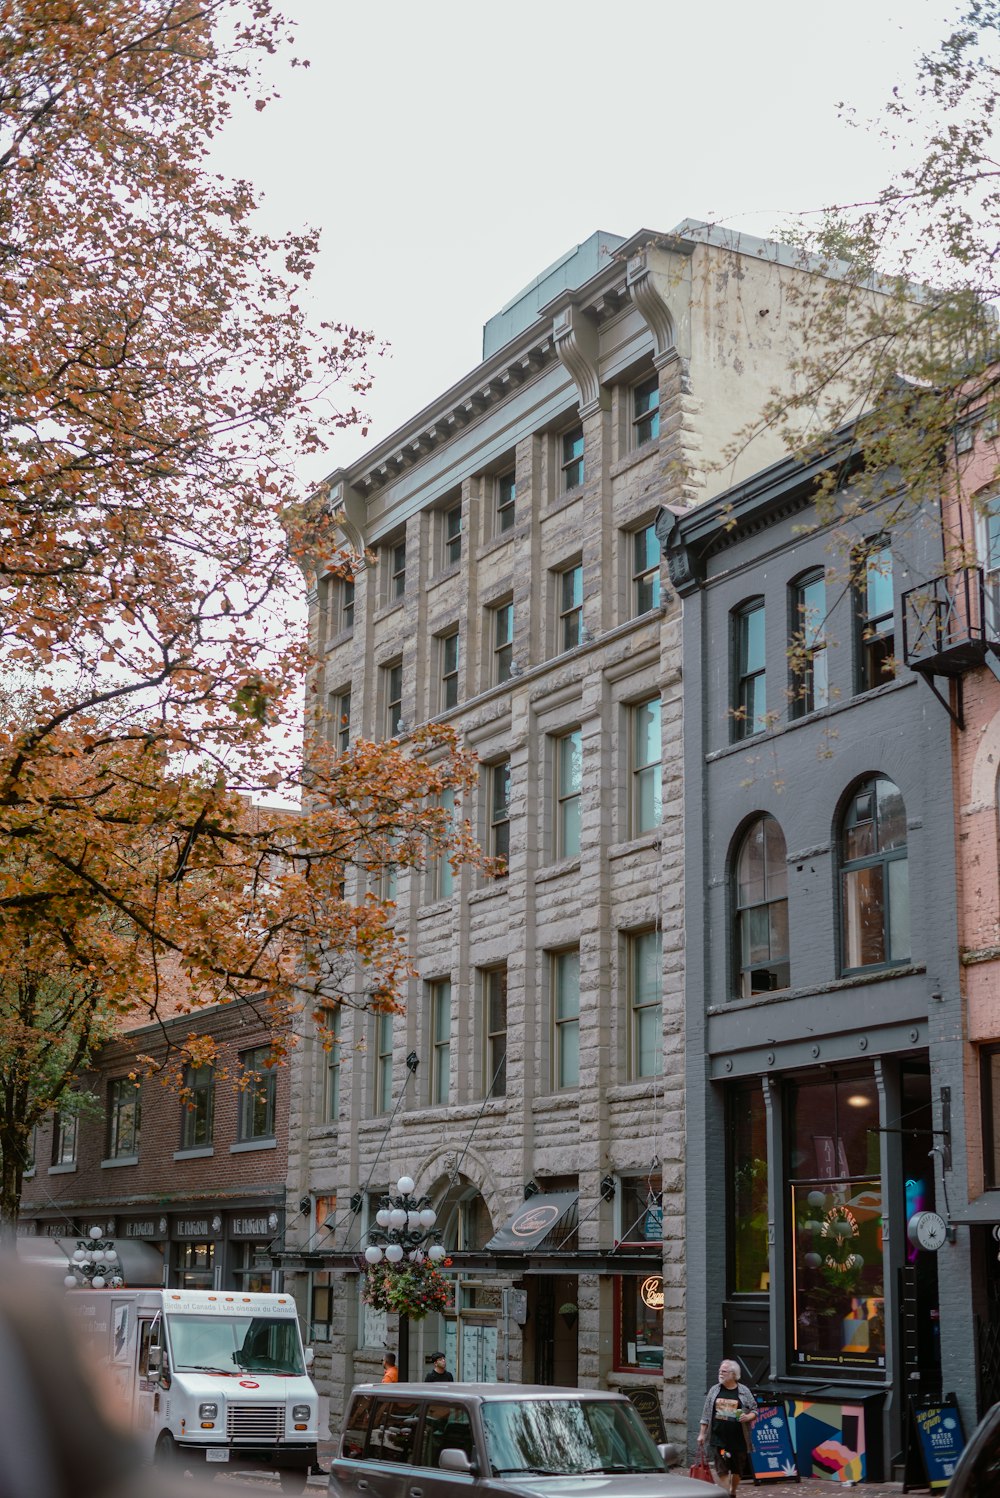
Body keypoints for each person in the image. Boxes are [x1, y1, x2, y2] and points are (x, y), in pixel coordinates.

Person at [697, 1358, 757, 1497]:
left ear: (733, 1374)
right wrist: (702, 1433)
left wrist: (748, 1417)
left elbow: (754, 1409)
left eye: (724, 1371)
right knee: (721, 1467)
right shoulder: (714, 1390)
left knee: (737, 1468)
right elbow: (706, 1413)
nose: (721, 1373)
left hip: (739, 1437)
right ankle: (727, 1491)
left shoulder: (743, 1391)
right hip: (718, 1436)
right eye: (720, 1371)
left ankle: (732, 1490)